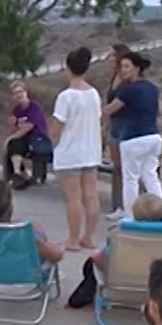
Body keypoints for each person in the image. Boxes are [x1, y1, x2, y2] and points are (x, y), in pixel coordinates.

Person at [52, 46, 103, 250]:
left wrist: (51, 138)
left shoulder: (66, 96)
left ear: (68, 67)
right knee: (90, 195)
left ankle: (73, 239)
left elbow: (57, 125)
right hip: (91, 150)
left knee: (73, 197)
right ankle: (88, 237)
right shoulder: (93, 94)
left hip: (71, 151)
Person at [103, 51, 162, 214]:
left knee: (131, 179)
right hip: (153, 135)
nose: (123, 70)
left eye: (126, 66)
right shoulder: (152, 88)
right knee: (151, 176)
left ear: (136, 68)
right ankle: (160, 213)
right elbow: (160, 111)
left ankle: (130, 215)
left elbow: (111, 109)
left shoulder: (128, 90)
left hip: (133, 138)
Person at [0, 178, 64, 265]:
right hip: (24, 273)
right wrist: (60, 249)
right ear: (8, 207)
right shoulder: (21, 232)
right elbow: (56, 256)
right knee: (35, 228)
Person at [103, 44, 132, 219]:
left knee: (126, 167)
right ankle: (117, 205)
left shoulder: (127, 80)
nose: (109, 59)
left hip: (125, 125)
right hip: (114, 125)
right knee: (117, 167)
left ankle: (126, 204)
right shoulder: (114, 77)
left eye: (112, 55)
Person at [4, 82, 49, 184]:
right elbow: (15, 130)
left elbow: (28, 127)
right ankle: (17, 173)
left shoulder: (34, 107)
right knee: (14, 144)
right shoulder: (16, 110)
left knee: (14, 140)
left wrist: (10, 138)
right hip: (24, 138)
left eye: (20, 92)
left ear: (26, 92)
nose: (18, 95)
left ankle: (35, 175)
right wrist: (12, 125)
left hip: (38, 137)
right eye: (15, 93)